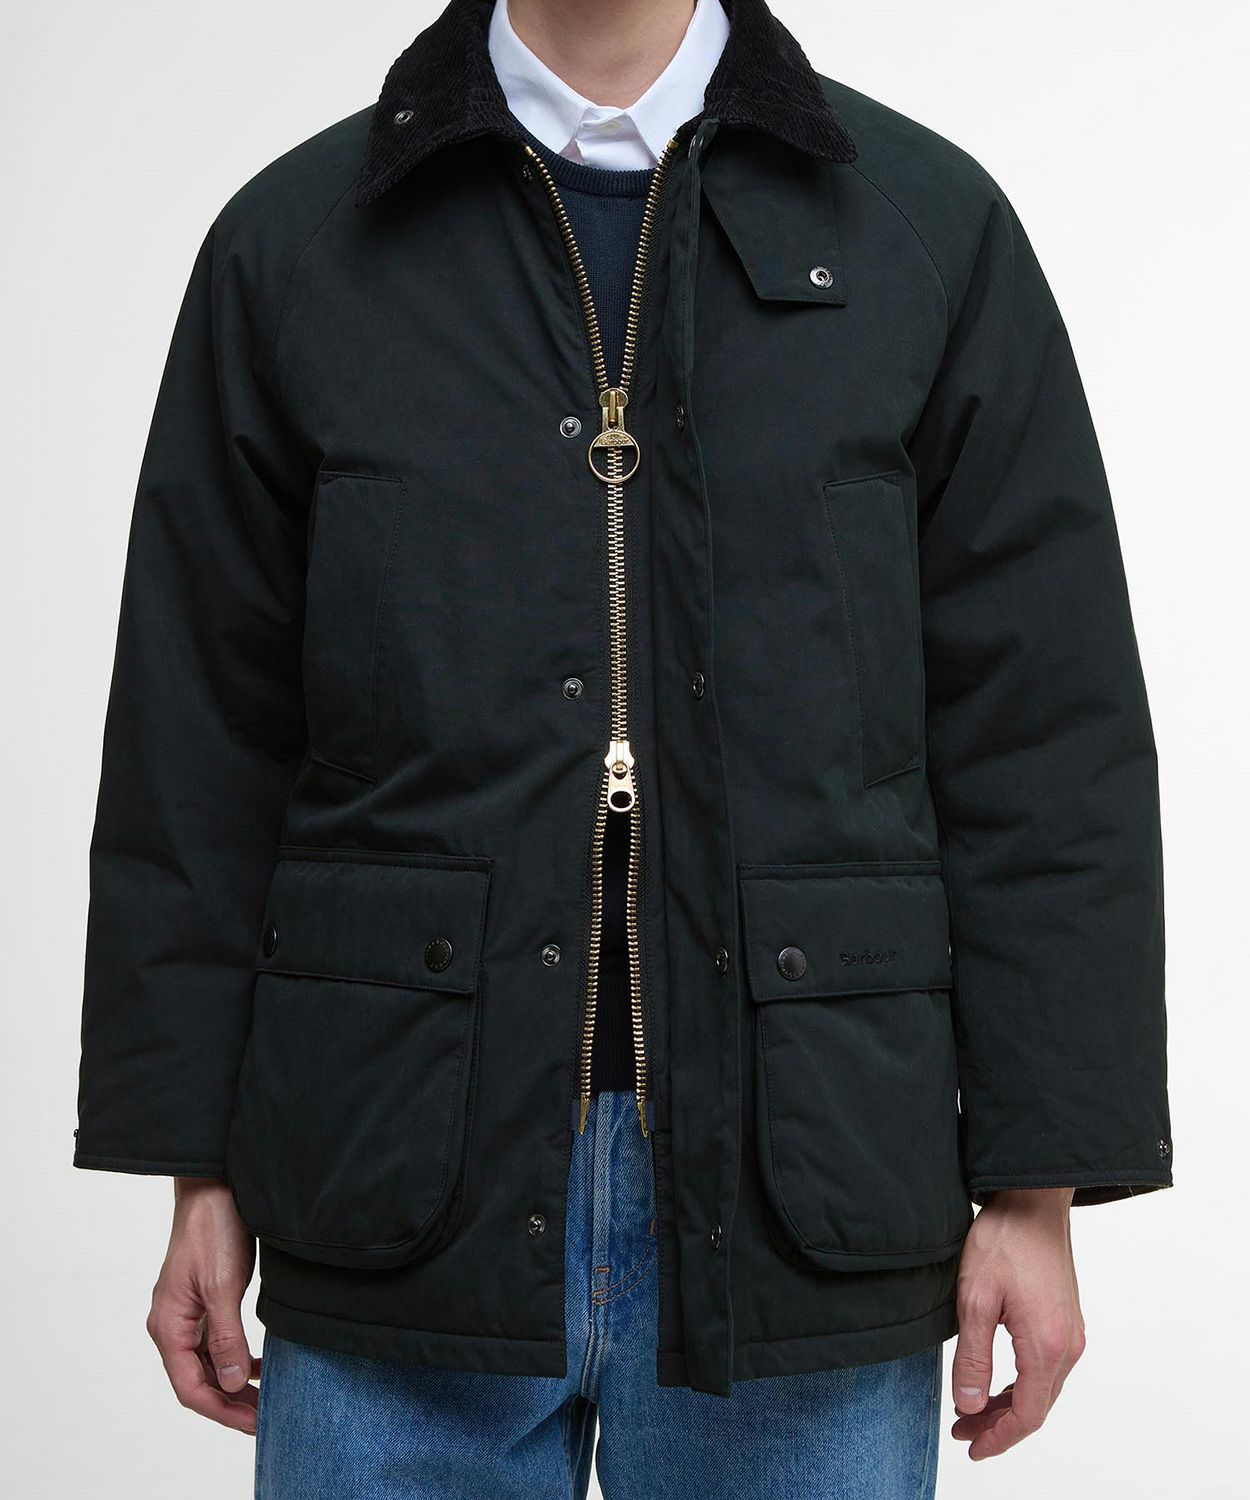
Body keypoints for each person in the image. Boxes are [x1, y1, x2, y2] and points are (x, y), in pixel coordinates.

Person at [74, 1, 1172, 1495]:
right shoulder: (296, 243)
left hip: (808, 1196)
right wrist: (197, 1165)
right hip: (387, 1182)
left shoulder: (924, 228)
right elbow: (197, 739)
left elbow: (1044, 738)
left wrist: (1035, 1186)